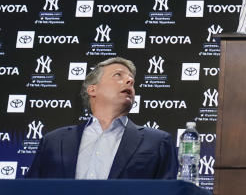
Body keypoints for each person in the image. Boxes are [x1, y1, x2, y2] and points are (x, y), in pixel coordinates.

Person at [27, 57, 178, 179]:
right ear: (93, 89)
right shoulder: (54, 141)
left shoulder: (158, 142)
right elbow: (31, 193)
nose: (130, 81)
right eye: (118, 75)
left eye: (131, 80)